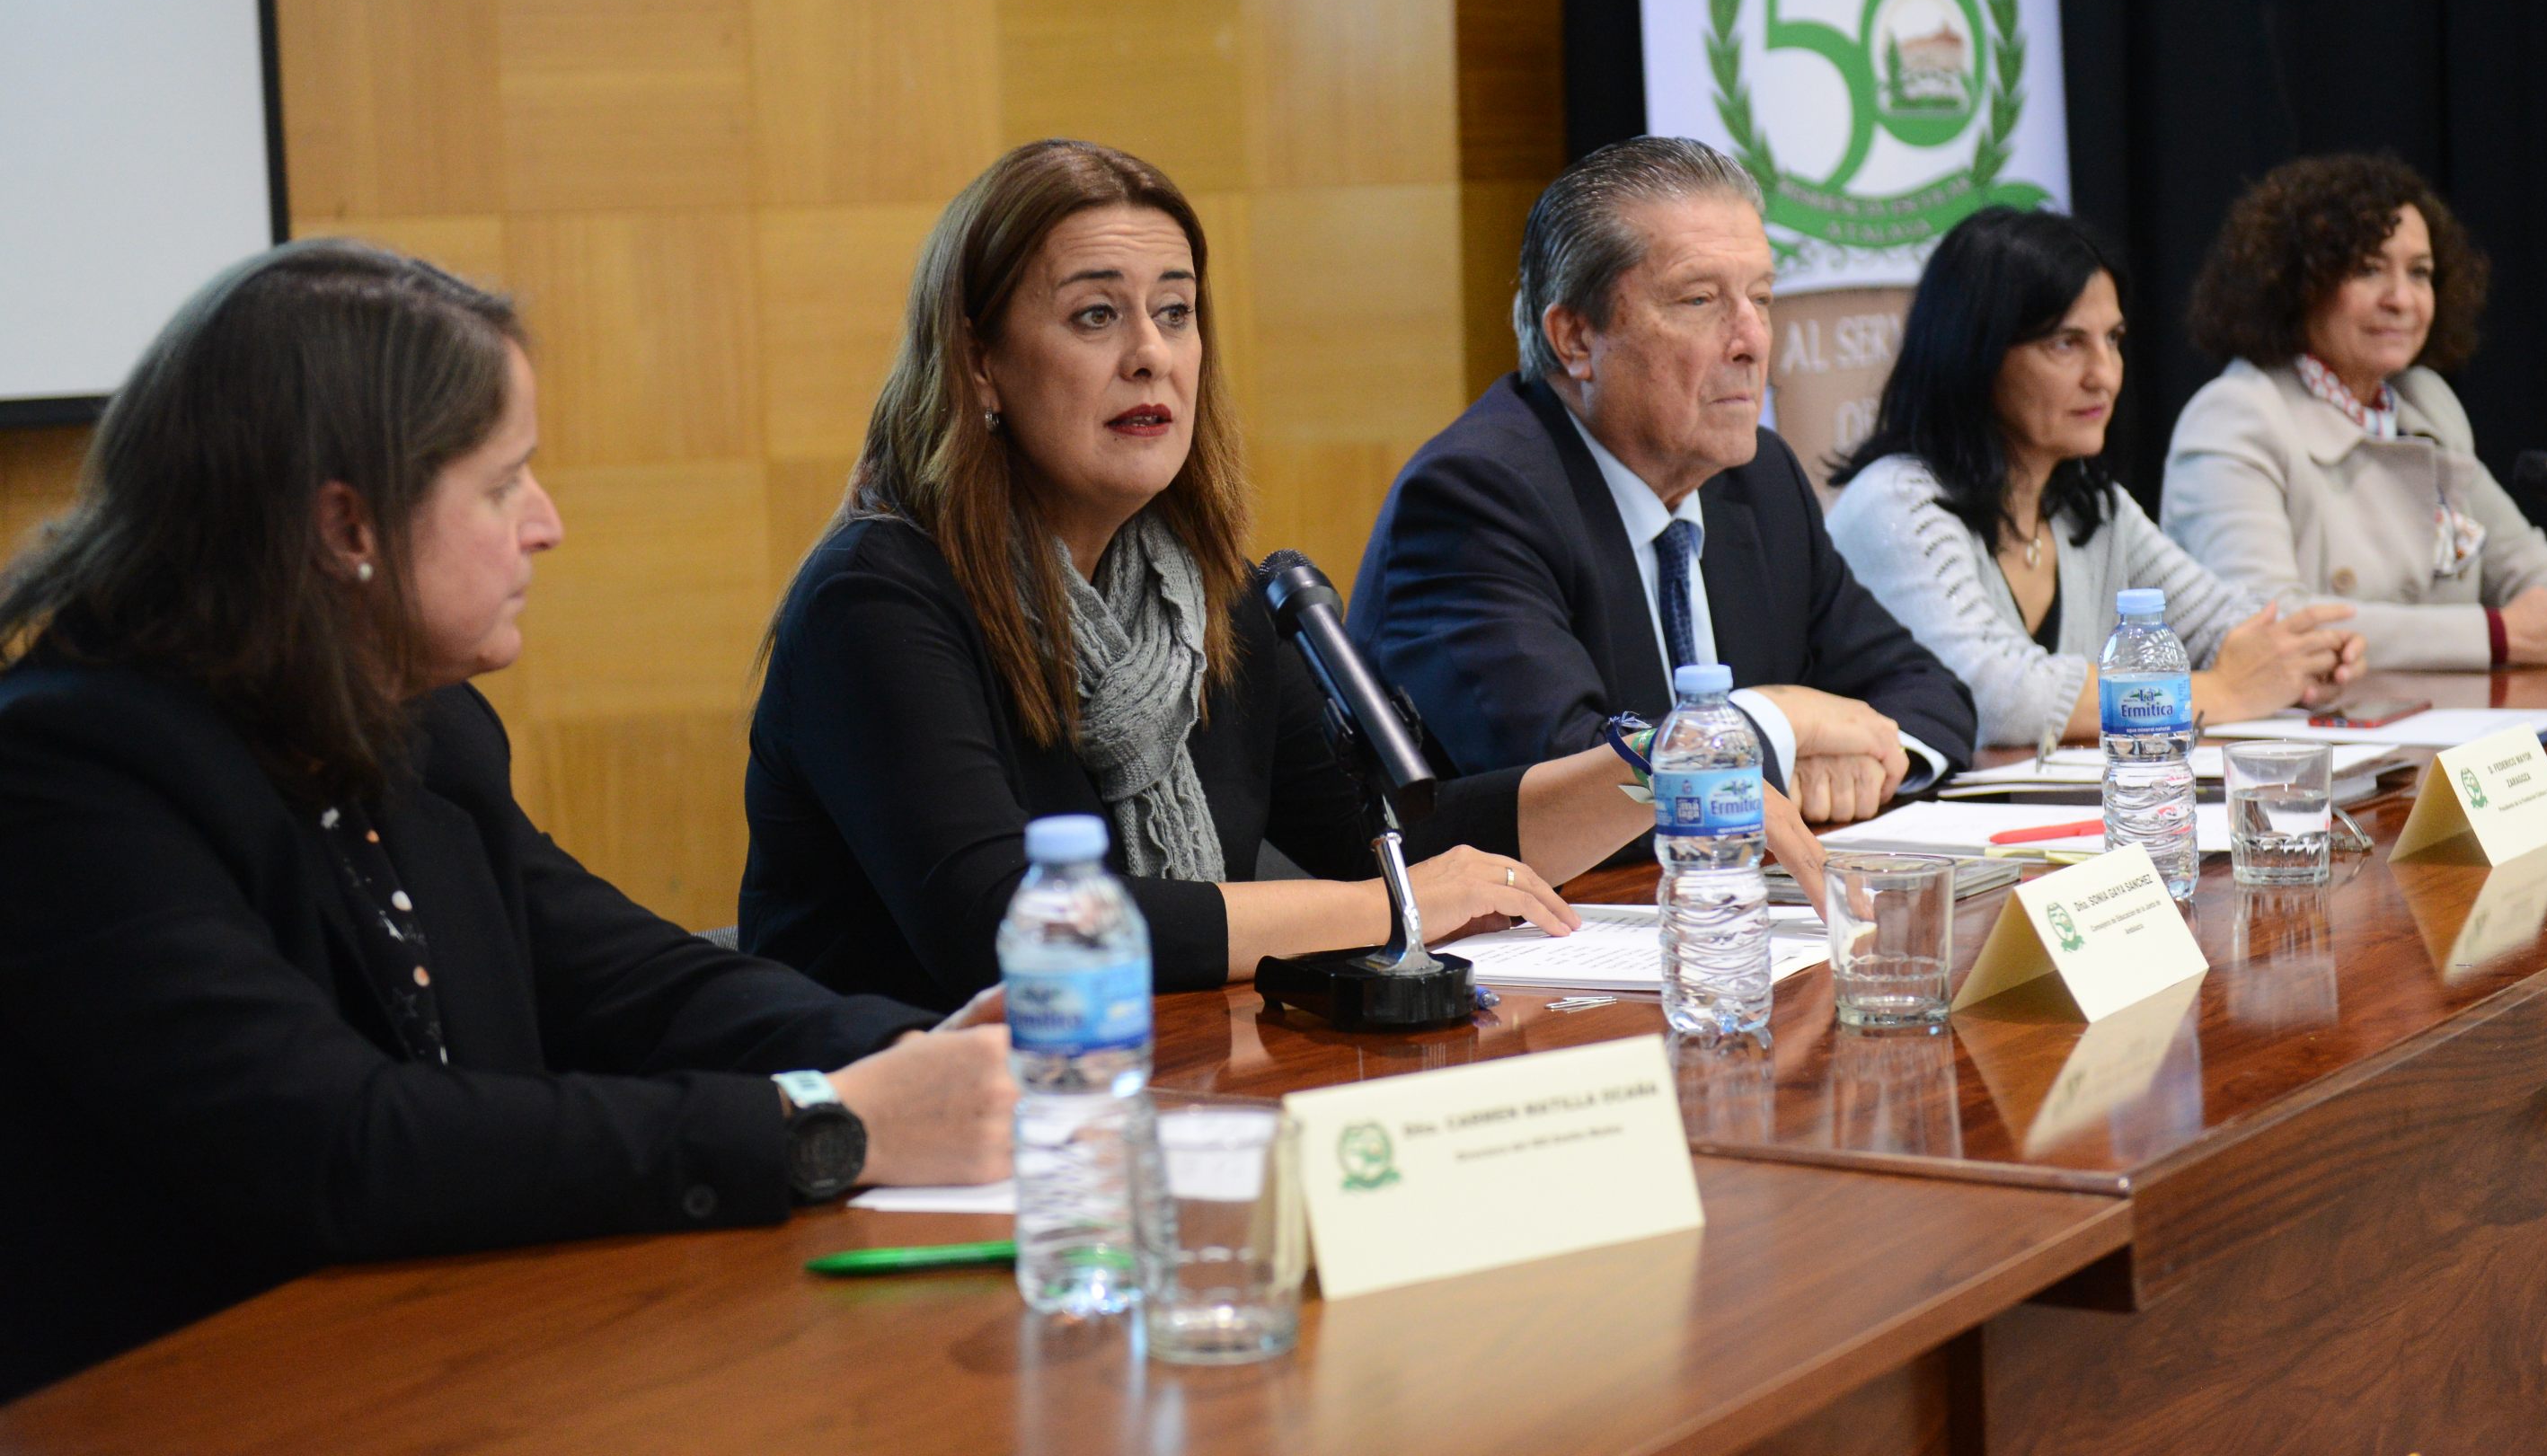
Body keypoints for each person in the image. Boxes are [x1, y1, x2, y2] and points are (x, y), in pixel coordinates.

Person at [0, 244, 1014, 1402]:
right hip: (195, 1406)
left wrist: (922, 1053)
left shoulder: (426, 725)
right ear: (347, 526)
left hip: (446, 1366)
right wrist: (820, 1123)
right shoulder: (72, 774)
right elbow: (338, 1140)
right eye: (501, 484)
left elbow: (638, 984)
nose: (548, 524)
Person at [738, 140, 1824, 1013]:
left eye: (1175, 311)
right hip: (910, 1149)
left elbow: (1412, 834)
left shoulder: (1207, 597)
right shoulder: (878, 600)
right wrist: (1380, 907)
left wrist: (1660, 771)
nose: (1152, 354)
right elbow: (1008, 924)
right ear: (979, 360)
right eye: (1094, 315)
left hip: (1169, 1097)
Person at [1349, 136, 1977, 825]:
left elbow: (1928, 692)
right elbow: (1577, 786)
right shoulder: (1474, 501)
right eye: (1700, 300)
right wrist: (1777, 724)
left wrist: (1874, 762)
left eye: (1762, 298)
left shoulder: (1760, 481)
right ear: (1575, 340)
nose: (1753, 341)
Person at [1825, 208, 2365, 748]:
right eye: (2066, 343)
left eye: (2113, 339)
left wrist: (2302, 652)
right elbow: (1985, 693)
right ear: (1976, 354)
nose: (2104, 375)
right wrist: (2221, 692)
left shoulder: (2089, 507)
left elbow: (2216, 623)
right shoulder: (1897, 502)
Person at [2161, 152, 2547, 672]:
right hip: (2302, 741)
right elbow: (2267, 623)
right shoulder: (2234, 417)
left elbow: (2521, 560)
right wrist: (2497, 635)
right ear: (2299, 282)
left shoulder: (2425, 401)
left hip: (2446, 725)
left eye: (2420, 273)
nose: (2402, 299)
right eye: (2369, 270)